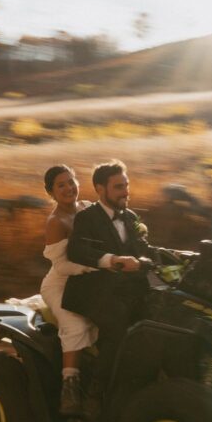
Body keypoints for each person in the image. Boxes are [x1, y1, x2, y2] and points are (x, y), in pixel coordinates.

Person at [63, 159, 157, 407]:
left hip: (130, 290)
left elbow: (146, 251)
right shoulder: (87, 217)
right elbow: (76, 251)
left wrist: (147, 262)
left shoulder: (131, 218)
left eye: (126, 185)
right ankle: (96, 395)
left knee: (161, 318)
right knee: (117, 325)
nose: (125, 191)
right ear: (100, 189)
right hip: (95, 291)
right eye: (118, 187)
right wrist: (112, 260)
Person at [39, 164, 98, 418]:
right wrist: (90, 269)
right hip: (61, 283)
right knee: (75, 324)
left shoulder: (86, 208)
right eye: (60, 185)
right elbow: (61, 265)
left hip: (93, 280)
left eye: (70, 182)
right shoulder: (55, 222)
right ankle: (69, 388)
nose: (68, 188)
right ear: (51, 193)